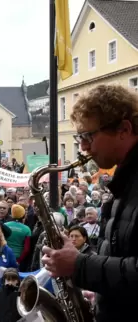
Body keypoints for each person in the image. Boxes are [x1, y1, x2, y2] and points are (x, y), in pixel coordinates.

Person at [41, 84, 138, 322]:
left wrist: (80, 265)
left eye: (88, 136)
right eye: (79, 137)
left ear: (124, 129)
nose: (83, 147)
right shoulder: (124, 182)